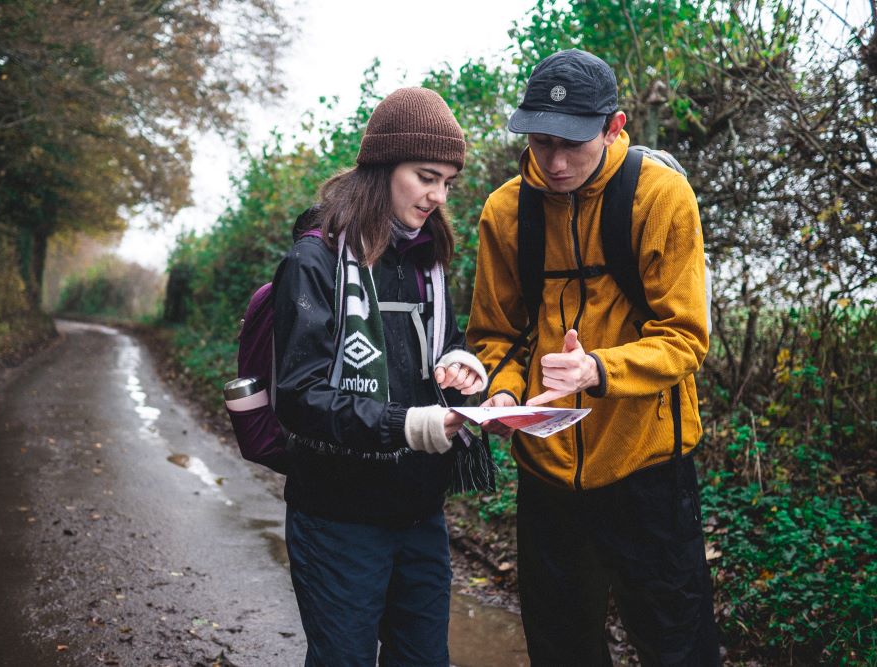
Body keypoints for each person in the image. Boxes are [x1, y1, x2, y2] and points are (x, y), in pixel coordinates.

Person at [467, 49, 719, 665]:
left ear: (614, 127)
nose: (553, 162)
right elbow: (494, 334)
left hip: (648, 465)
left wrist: (598, 369)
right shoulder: (505, 212)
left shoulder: (660, 198)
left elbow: (685, 337)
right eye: (540, 141)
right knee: (561, 649)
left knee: (676, 645)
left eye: (572, 143)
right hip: (547, 475)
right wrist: (500, 391)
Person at [272, 87, 488, 667]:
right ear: (383, 165)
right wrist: (409, 424)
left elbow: (441, 345)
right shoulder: (312, 262)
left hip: (419, 513)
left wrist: (465, 365)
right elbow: (299, 397)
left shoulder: (429, 261)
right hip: (336, 514)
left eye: (447, 182)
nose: (438, 196)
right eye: (425, 177)